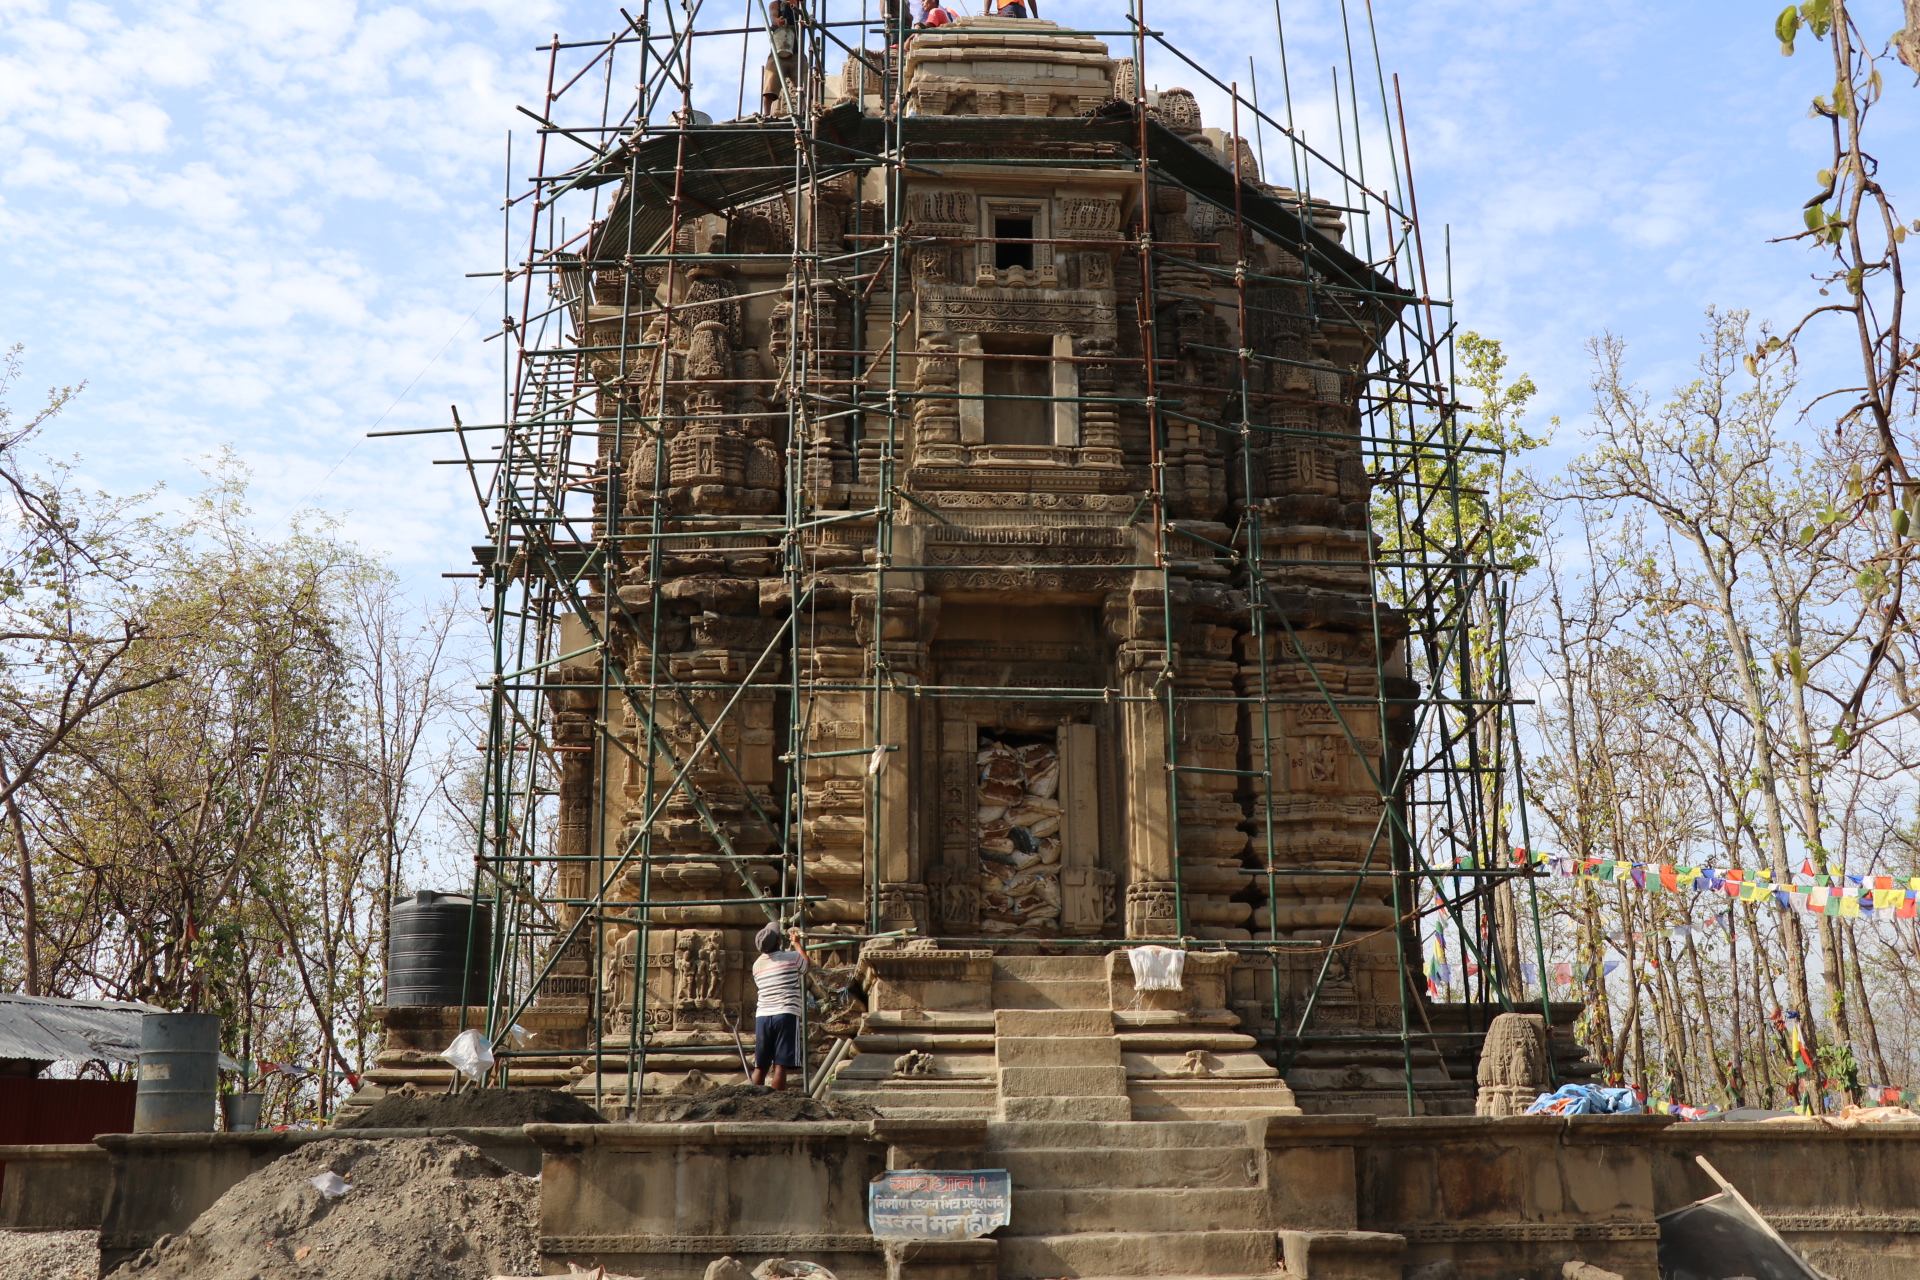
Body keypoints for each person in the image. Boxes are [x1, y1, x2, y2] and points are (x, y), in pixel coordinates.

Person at [751, 920, 809, 1090]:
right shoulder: (792, 957)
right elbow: (806, 966)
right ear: (778, 941)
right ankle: (777, 1105)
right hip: (785, 1013)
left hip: (762, 1016)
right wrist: (797, 944)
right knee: (780, 1065)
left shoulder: (757, 965)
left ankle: (753, 1102)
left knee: (760, 1066)